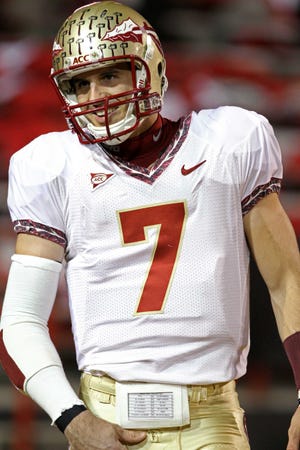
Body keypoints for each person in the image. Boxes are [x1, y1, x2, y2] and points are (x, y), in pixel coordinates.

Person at [0, 1, 299, 449]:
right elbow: (20, 320)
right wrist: (73, 418)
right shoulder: (50, 165)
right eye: (79, 83)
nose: (96, 97)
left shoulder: (229, 141)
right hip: (105, 413)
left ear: (153, 68)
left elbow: (286, 278)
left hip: (211, 416)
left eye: (110, 75)